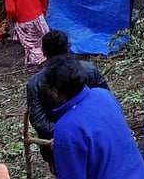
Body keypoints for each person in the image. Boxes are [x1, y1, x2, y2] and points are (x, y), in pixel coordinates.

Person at [45, 56, 144, 178]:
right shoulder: (103, 95)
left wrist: (65, 144)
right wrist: (65, 145)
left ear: (56, 92)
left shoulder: (66, 128)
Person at [27, 30, 110, 175]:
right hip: (91, 137)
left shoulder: (35, 83)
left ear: (44, 52)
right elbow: (105, 101)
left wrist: (65, 137)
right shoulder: (89, 69)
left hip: (61, 144)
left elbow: (39, 120)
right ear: (68, 47)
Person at [4, 0, 50, 65]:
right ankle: (50, 55)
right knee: (43, 36)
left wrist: (13, 20)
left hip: (24, 21)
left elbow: (11, 10)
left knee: (31, 44)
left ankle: (39, 61)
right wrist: (43, 9)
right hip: (38, 17)